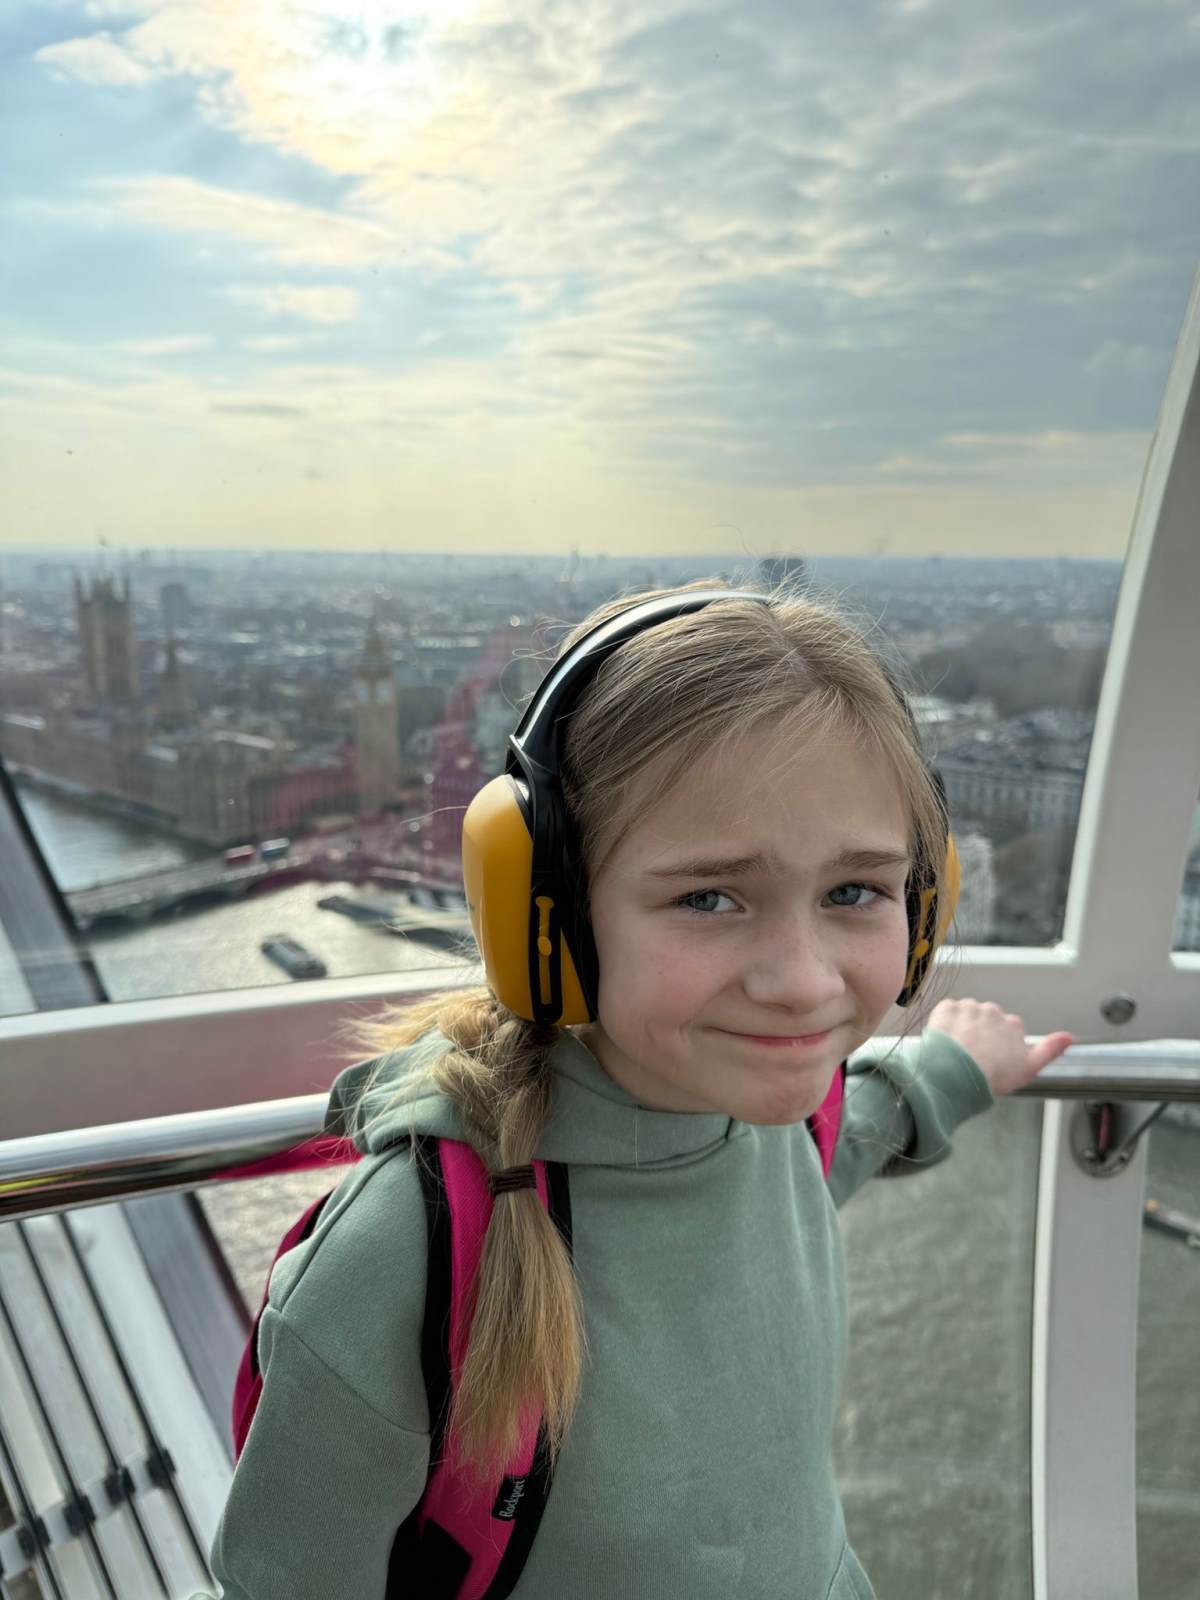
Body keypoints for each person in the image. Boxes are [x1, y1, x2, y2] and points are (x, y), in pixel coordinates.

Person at [199, 580, 1072, 1599]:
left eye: (854, 891)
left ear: (923, 902)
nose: (801, 982)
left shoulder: (778, 1118)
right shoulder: (399, 1259)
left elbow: (851, 1131)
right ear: (549, 914)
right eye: (709, 897)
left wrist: (957, 1067)